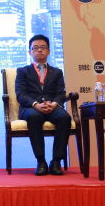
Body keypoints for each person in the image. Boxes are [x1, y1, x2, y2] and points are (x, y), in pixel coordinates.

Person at [15, 34, 71, 176]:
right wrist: (35, 104)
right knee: (34, 117)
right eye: (35, 48)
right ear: (30, 52)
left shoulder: (57, 72)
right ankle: (41, 161)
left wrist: (54, 104)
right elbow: (20, 94)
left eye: (43, 47)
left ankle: (56, 161)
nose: (39, 50)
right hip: (31, 108)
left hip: (52, 106)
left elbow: (61, 93)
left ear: (48, 51)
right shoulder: (22, 71)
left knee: (65, 118)